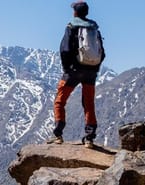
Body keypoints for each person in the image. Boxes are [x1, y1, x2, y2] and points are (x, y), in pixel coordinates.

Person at [48, 0, 106, 148]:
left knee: (60, 101)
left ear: (75, 12)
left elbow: (65, 49)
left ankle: (58, 135)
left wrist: (67, 68)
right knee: (88, 103)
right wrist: (95, 68)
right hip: (90, 72)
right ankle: (89, 139)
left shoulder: (71, 26)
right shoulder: (94, 28)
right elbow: (102, 52)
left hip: (73, 71)